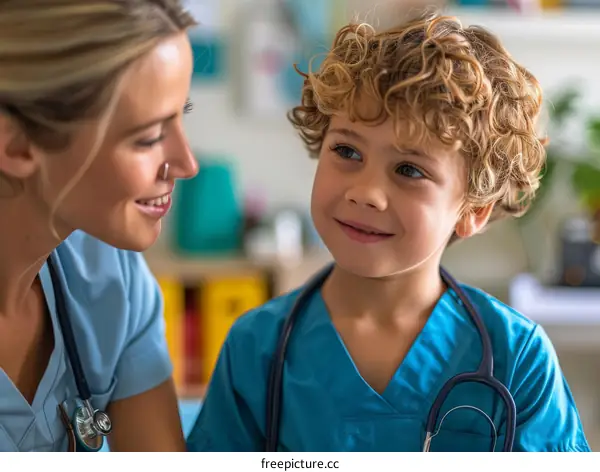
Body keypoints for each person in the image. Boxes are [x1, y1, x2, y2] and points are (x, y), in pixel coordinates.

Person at [186, 12, 591, 452]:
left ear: (473, 210)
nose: (366, 193)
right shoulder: (257, 348)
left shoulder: (518, 358)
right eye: (346, 150)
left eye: (409, 169)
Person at [0, 1, 199, 451]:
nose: (187, 164)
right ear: (17, 144)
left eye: (181, 115)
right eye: (148, 137)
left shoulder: (112, 279)